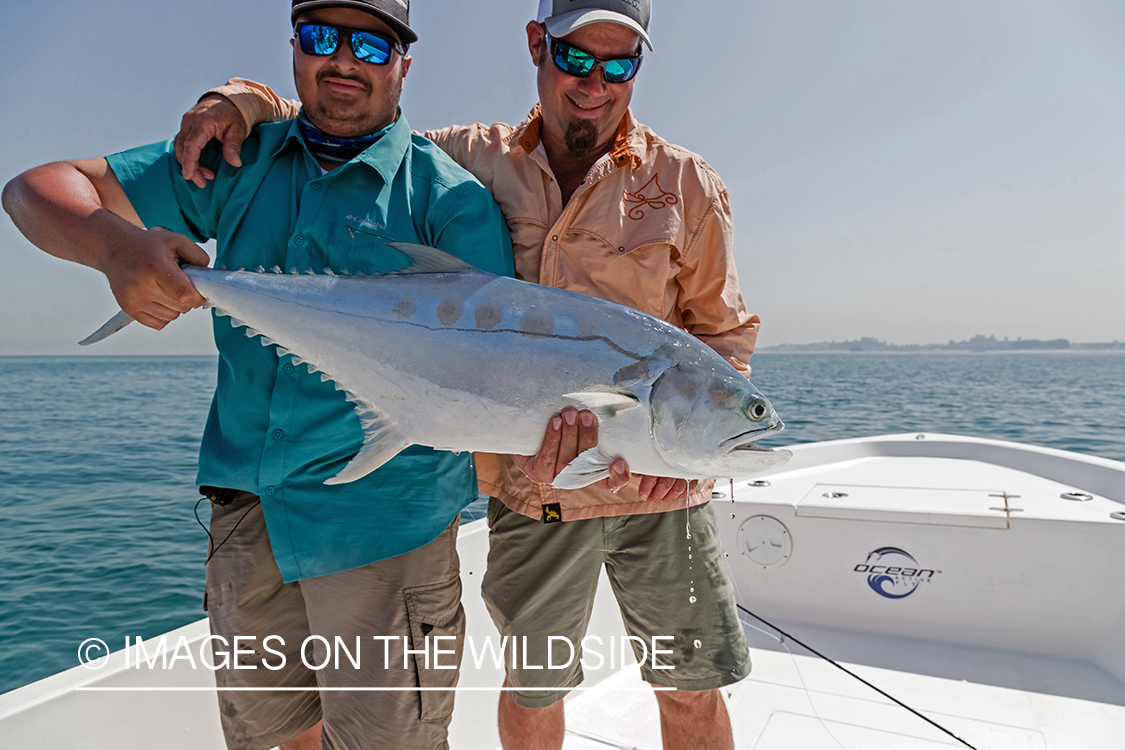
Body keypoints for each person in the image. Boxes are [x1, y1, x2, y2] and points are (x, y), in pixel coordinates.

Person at [173, 1, 759, 748]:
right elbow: (345, 111)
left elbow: (722, 335)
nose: (595, 82)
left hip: (662, 492)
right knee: (534, 692)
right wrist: (237, 99)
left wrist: (694, 467)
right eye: (576, 57)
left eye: (619, 65)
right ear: (536, 45)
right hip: (535, 494)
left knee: (690, 690)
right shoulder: (469, 156)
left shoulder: (685, 183)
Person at [2, 2, 513, 749]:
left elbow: (491, 372)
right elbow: (33, 190)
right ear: (295, 47)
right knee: (277, 738)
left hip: (385, 526)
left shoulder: (450, 200)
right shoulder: (238, 160)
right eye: (321, 36)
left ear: (405, 63)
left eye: (372, 44)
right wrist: (115, 248)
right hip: (248, 511)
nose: (344, 59)